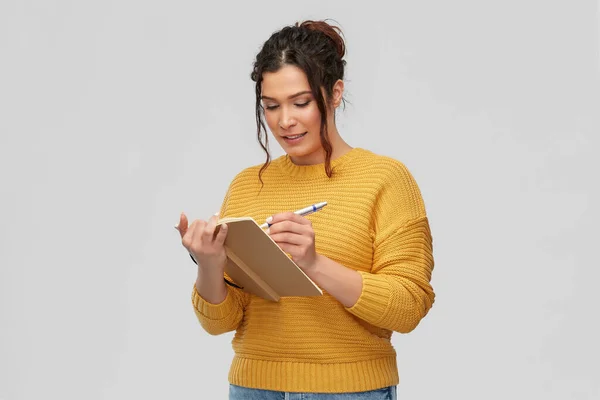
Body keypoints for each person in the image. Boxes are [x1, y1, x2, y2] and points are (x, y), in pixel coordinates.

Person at [176, 19, 435, 400]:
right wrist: (210, 264)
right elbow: (221, 323)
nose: (285, 121)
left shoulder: (385, 179)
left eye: (301, 102)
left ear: (333, 94)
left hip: (349, 391)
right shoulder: (248, 184)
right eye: (271, 106)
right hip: (252, 389)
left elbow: (409, 306)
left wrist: (314, 264)